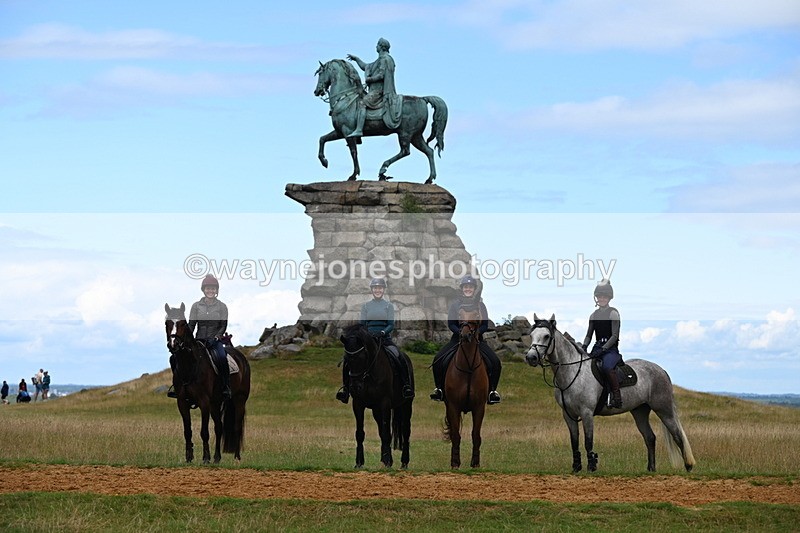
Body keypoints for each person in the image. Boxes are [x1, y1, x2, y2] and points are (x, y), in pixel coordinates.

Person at [336, 278, 414, 403]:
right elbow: (362, 324)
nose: (378, 290)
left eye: (380, 288)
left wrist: (382, 332)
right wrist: (365, 335)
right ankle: (346, 390)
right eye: (375, 288)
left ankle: (406, 386)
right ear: (372, 290)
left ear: (383, 290)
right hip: (367, 340)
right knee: (348, 360)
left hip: (384, 340)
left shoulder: (388, 306)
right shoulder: (366, 306)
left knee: (399, 356)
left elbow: (390, 324)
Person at [430, 275, 502, 404]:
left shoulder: (481, 305)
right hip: (457, 339)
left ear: (474, 289)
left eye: (470, 287)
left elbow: (485, 325)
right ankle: (439, 389)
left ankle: (492, 391)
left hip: (477, 341)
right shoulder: (455, 305)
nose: (468, 289)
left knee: (495, 362)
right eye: (466, 287)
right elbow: (451, 324)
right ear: (462, 289)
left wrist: (476, 333)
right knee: (438, 359)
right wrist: (460, 333)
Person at [168, 274, 231, 400]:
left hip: (214, 341)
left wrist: (218, 336)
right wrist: (185, 340)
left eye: (213, 288)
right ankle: (177, 386)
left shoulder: (222, 307)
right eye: (208, 288)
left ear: (216, 291)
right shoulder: (196, 306)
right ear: (204, 290)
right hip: (199, 340)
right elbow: (191, 325)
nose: (210, 291)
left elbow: (223, 325)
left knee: (222, 358)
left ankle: (225, 387)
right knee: (174, 358)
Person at [345, 37, 402, 137]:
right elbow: (366, 66)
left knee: (362, 103)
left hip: (379, 91)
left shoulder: (385, 59)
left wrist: (370, 79)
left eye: (377, 45)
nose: (376, 46)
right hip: (374, 91)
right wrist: (356, 59)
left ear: (381, 47)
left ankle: (359, 130)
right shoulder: (379, 60)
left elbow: (381, 75)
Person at [580, 278, 623, 408]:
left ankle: (616, 397)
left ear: (609, 298)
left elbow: (615, 336)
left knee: (607, 367)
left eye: (604, 297)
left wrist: (604, 349)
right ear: (596, 298)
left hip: (610, 349)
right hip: (597, 347)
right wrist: (584, 346)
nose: (602, 299)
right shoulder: (593, 315)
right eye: (599, 296)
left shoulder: (613, 313)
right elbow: (589, 335)